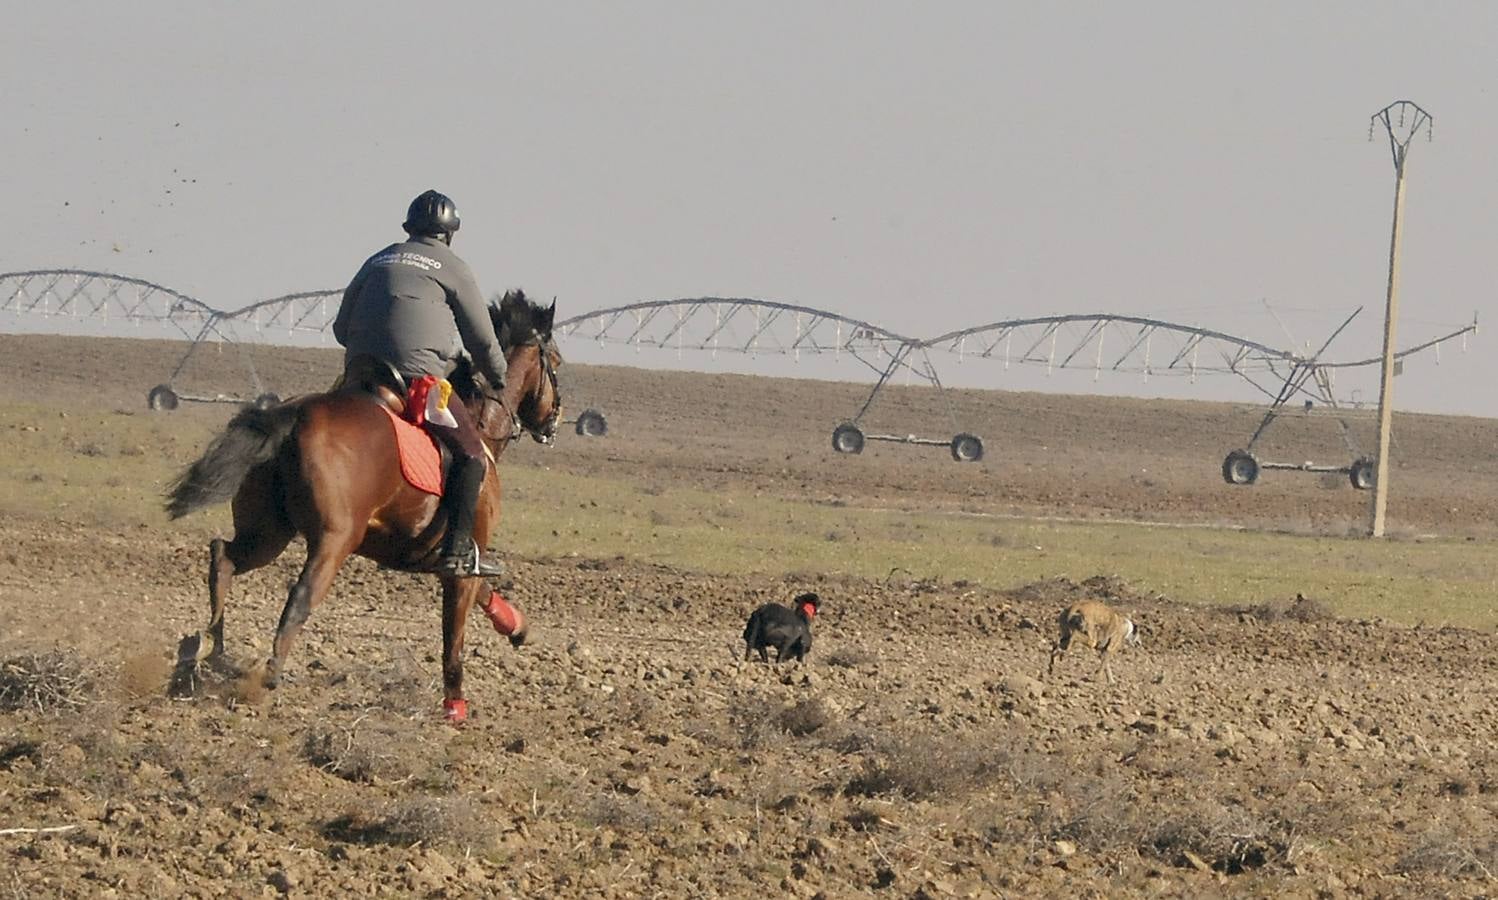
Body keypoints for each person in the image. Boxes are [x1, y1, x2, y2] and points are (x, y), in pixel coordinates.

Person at [333, 189, 508, 577]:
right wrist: (498, 376)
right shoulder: (454, 267)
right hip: (417, 382)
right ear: (449, 234)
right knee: (471, 455)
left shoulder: (378, 259)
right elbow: (480, 340)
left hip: (359, 377)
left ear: (409, 229)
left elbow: (341, 328)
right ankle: (458, 551)